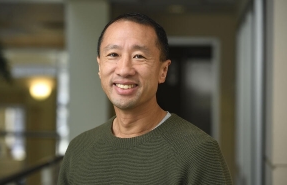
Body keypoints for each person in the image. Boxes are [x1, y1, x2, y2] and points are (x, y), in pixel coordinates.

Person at [58, 13, 232, 184]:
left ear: (163, 71)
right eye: (113, 55)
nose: (124, 70)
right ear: (100, 66)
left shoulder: (198, 151)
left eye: (139, 56)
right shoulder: (78, 150)